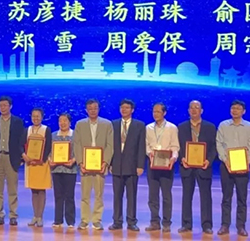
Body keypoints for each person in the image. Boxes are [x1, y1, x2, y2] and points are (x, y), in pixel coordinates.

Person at [216, 99, 250, 237]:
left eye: (238, 108)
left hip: (243, 167)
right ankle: (225, 225)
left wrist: (246, 162)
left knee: (242, 198)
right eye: (233, 108)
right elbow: (219, 143)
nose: (235, 111)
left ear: (244, 111)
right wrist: (225, 160)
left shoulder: (249, 126)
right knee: (226, 197)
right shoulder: (223, 125)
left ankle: (241, 226)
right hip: (226, 166)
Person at [73, 99, 113, 231]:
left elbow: (110, 145)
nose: (93, 111)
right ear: (86, 110)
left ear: (99, 109)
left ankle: (96, 220)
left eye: (95, 108)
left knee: (99, 195)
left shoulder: (107, 124)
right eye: (90, 109)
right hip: (85, 165)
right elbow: (77, 144)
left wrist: (105, 162)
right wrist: (80, 163)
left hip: (100, 165)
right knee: (84, 195)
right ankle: (84, 220)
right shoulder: (80, 124)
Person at [178, 100, 217, 235]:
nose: (194, 110)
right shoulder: (181, 127)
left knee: (206, 197)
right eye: (192, 108)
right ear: (188, 110)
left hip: (204, 167)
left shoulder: (210, 127)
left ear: (202, 111)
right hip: (187, 167)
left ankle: (207, 225)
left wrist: (208, 161)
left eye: (197, 107)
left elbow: (214, 147)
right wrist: (182, 158)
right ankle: (186, 224)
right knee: (186, 196)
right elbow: (178, 146)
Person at [109, 98, 145, 232]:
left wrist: (140, 165)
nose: (124, 110)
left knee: (131, 196)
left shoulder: (139, 125)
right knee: (117, 196)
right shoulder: (113, 124)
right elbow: (110, 146)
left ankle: (131, 222)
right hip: (117, 166)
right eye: (122, 108)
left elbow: (141, 147)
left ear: (132, 110)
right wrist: (110, 163)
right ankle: (117, 221)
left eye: (127, 108)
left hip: (132, 166)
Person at [144, 103, 179, 233]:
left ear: (164, 113)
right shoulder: (148, 128)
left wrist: (174, 157)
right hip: (152, 164)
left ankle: (166, 223)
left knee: (166, 196)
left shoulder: (172, 128)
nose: (155, 114)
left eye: (158, 112)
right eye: (154, 111)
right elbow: (146, 145)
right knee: (152, 196)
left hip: (167, 165)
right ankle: (154, 222)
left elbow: (175, 146)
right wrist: (150, 153)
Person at [0, 95, 24, 226]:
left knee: (12, 189)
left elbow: (21, 141)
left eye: (5, 105)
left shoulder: (17, 122)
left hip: (11, 158)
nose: (2, 108)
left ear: (10, 106)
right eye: (0, 105)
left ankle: (13, 215)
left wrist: (21, 157)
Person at [22, 108, 52, 227]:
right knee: (33, 190)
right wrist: (24, 156)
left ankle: (40, 217)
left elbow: (48, 146)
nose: (36, 118)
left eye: (38, 116)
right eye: (33, 116)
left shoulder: (46, 130)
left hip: (42, 164)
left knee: (41, 190)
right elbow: (21, 145)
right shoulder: (27, 130)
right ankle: (35, 216)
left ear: (42, 117)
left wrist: (40, 159)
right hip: (30, 164)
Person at [49, 113, 77, 228]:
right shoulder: (53, 135)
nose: (62, 123)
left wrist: (73, 160)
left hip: (70, 170)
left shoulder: (75, 135)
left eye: (65, 120)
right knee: (58, 195)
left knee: (69, 196)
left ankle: (70, 221)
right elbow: (48, 151)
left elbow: (78, 151)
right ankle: (58, 220)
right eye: (60, 120)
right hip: (56, 170)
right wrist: (50, 160)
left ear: (70, 122)